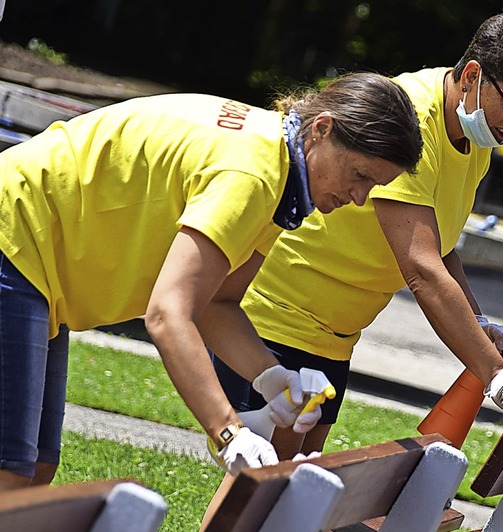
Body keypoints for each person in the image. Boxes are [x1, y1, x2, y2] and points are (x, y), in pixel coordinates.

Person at [0, 72, 424, 491]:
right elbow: (169, 314)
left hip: (34, 257)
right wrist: (228, 432)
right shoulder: (254, 175)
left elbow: (218, 303)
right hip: (15, 235)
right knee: (12, 470)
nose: (360, 198)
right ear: (322, 129)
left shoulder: (281, 172)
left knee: (35, 467)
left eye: (374, 186)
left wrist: (272, 379)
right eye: (361, 176)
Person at [211, 11, 503, 465]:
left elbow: (440, 246)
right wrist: (498, 378)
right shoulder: (411, 120)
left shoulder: (476, 131)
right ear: (474, 75)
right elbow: (421, 268)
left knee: (293, 492)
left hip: (335, 334)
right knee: (264, 488)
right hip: (281, 315)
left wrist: (478, 325)